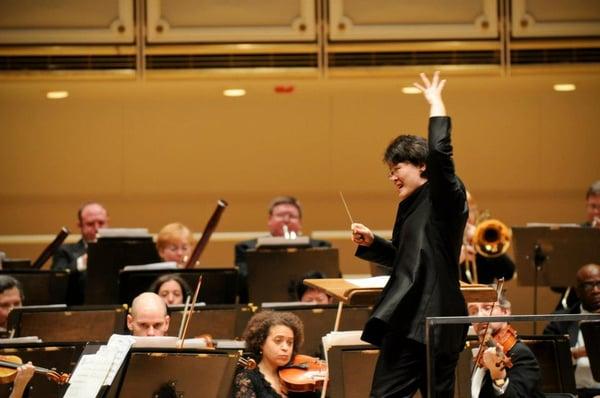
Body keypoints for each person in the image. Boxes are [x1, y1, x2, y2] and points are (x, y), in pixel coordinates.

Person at [350, 71, 468, 397]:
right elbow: (407, 259)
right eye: (390, 172)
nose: (392, 177)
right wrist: (374, 244)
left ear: (422, 166)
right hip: (408, 320)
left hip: (436, 322)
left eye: (397, 168)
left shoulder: (444, 196)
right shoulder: (410, 207)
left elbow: (442, 153)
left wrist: (435, 103)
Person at [234, 196, 331, 303]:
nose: (286, 220)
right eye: (280, 215)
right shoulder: (247, 248)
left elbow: (332, 280)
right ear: (269, 220)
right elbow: (240, 287)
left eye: (292, 216)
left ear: (300, 222)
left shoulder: (320, 246)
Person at [468, 291, 545, 397]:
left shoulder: (521, 354)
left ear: (505, 311)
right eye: (473, 311)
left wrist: (498, 377)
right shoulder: (478, 358)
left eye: (487, 308)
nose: (479, 316)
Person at [544, 263, 600, 398]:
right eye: (588, 285)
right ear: (577, 291)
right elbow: (546, 358)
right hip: (573, 394)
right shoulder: (561, 320)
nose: (596, 290)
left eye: (599, 283)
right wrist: (576, 353)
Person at [232, 311, 310, 397]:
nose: (285, 348)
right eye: (278, 340)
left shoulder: (299, 379)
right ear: (261, 342)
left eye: (290, 342)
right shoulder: (247, 377)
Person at [553, 181, 600, 310]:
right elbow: (556, 285)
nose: (596, 212)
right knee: (554, 326)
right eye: (592, 206)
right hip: (577, 301)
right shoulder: (574, 235)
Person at [51, 202, 109, 304]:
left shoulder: (120, 250)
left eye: (101, 223)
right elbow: (56, 282)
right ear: (80, 225)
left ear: (108, 222)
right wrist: (82, 263)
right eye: (90, 224)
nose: (97, 229)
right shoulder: (64, 251)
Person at [459, 191, 515, 284]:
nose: (468, 216)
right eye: (463, 211)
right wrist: (458, 257)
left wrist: (481, 243)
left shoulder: (482, 237)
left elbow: (508, 273)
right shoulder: (443, 239)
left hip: (485, 297)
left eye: (471, 210)